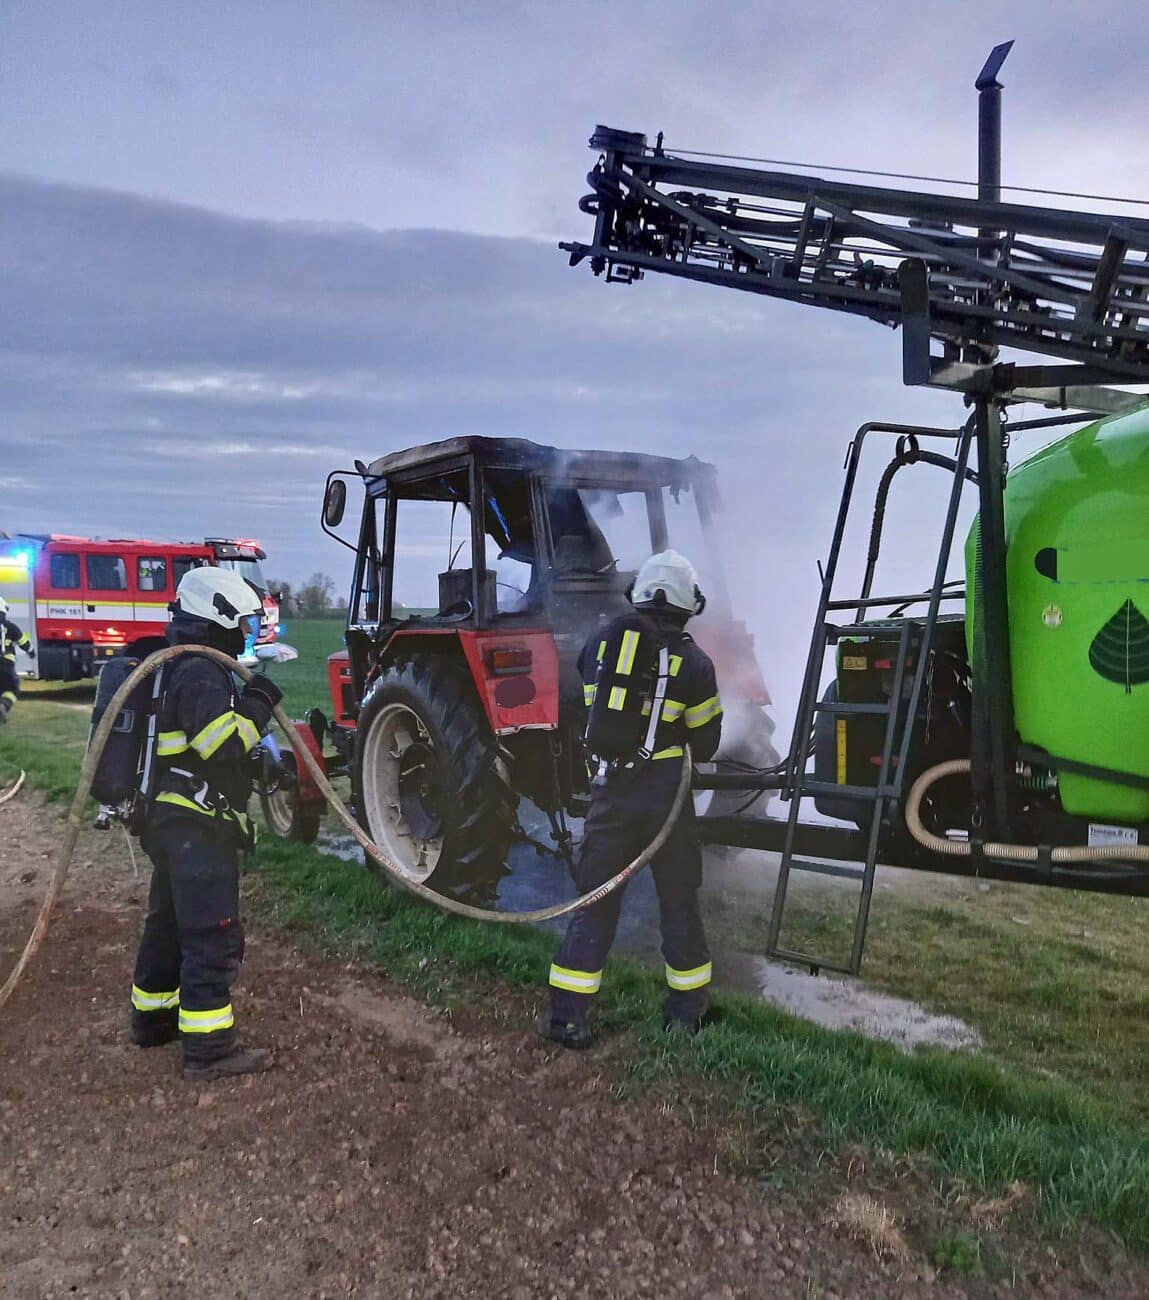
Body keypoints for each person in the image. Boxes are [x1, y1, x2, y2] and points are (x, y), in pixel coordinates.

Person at [540, 550, 723, 1049]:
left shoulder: (602, 644)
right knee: (679, 903)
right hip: (667, 800)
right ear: (689, 607)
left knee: (594, 905)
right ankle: (687, 1013)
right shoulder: (696, 665)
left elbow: (588, 702)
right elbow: (705, 744)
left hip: (611, 797)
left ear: (638, 597)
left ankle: (568, 1018)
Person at [129, 566, 283, 1081]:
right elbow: (222, 746)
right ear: (214, 615)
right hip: (196, 826)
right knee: (211, 936)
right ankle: (210, 1050)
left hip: (170, 823)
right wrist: (259, 702)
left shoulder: (176, 664)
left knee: (167, 926)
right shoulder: (198, 671)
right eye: (240, 624)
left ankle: (152, 1020)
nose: (242, 635)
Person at [0, 595, 34, 724]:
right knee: (12, 689)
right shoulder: (11, 627)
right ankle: (4, 705)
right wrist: (31, 653)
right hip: (7, 664)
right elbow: (24, 642)